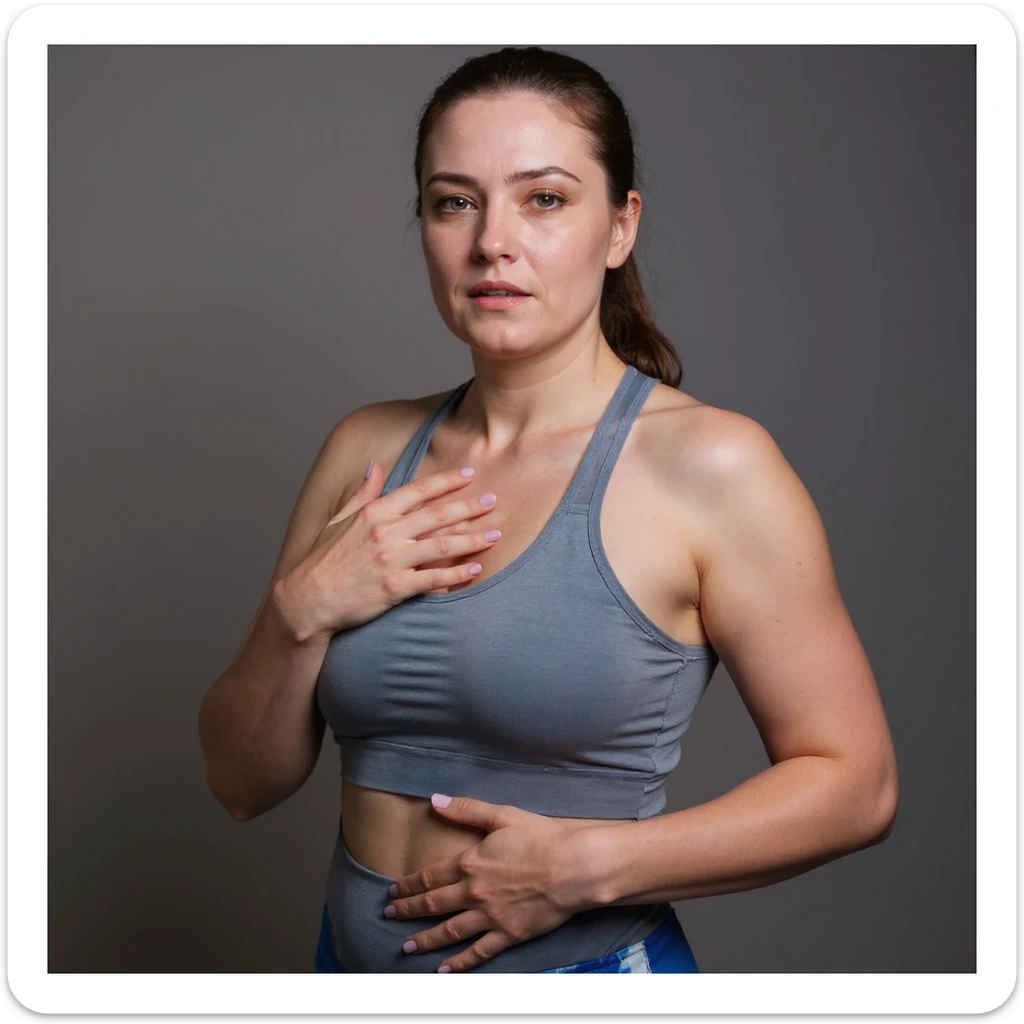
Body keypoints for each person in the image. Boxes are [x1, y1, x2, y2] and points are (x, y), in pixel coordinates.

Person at [198, 46, 899, 974]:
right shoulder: (367, 451)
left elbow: (858, 786)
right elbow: (241, 784)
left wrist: (584, 869)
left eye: (545, 199)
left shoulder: (713, 466)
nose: (493, 240)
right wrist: (302, 611)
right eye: (455, 201)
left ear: (619, 226)